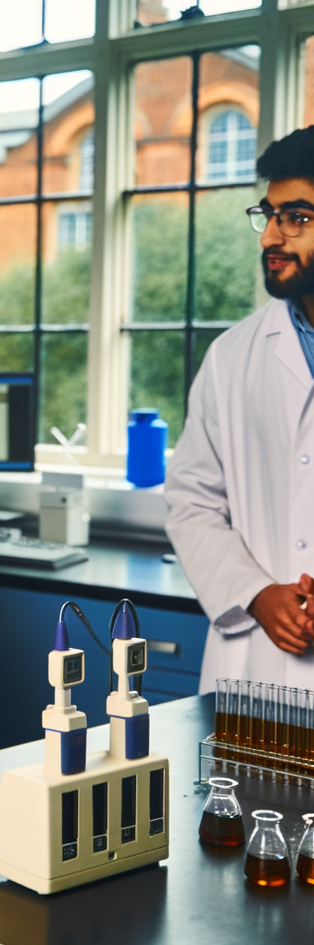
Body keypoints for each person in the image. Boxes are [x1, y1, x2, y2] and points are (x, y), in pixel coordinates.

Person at [166, 125, 314, 693]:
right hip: (255, 670)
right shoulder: (232, 358)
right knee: (243, 786)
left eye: (296, 217)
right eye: (269, 215)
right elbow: (192, 501)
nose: (270, 237)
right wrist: (256, 592)